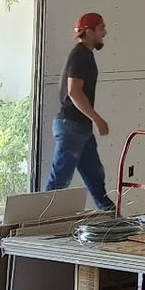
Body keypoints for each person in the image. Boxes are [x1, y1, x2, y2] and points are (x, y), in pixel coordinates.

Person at [44, 12, 115, 212]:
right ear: (89, 31)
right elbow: (74, 91)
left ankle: (110, 216)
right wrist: (97, 119)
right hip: (71, 126)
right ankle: (38, 220)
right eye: (101, 28)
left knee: (94, 175)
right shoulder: (81, 55)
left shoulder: (84, 54)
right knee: (60, 179)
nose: (105, 33)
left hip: (79, 127)